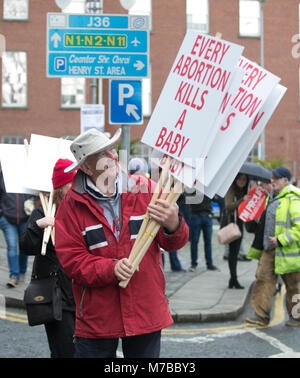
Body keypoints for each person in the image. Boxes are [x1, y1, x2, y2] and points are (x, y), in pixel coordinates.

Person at [54, 128, 189, 358]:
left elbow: (175, 242)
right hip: (97, 318)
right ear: (86, 167)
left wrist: (173, 224)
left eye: (112, 149)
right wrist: (111, 268)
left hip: (144, 308)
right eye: (104, 153)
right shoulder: (70, 206)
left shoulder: (146, 189)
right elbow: (73, 261)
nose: (114, 156)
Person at [20, 159, 77, 358]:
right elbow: (26, 246)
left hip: (82, 293)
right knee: (64, 352)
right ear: (61, 187)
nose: (77, 186)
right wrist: (39, 225)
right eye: (72, 182)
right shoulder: (42, 210)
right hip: (56, 295)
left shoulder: (81, 209)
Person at [246, 166, 300, 327]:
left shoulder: (293, 199)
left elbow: (299, 227)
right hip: (268, 250)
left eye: (276, 178)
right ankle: (261, 316)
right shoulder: (271, 197)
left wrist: (281, 239)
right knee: (263, 281)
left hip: (287, 251)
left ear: (285, 180)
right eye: (272, 177)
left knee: (293, 287)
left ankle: (296, 317)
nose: (272, 180)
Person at [0, 169, 34, 287]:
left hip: (25, 219)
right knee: (12, 247)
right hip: (7, 219)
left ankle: (22, 273)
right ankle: (14, 276)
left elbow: (35, 196)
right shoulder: (3, 177)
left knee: (24, 247)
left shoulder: (26, 177)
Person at [224, 173, 249, 289]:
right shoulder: (231, 189)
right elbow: (228, 206)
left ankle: (232, 280)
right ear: (235, 179)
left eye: (244, 179)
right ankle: (234, 279)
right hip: (231, 225)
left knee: (236, 252)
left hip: (240, 224)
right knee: (232, 253)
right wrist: (242, 200)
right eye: (240, 179)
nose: (242, 181)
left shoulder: (245, 191)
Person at [188, 195, 218, 272]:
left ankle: (209, 263)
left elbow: (216, 198)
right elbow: (188, 199)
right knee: (194, 241)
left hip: (207, 215)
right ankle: (193, 264)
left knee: (208, 242)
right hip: (196, 215)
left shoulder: (209, 187)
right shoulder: (193, 186)